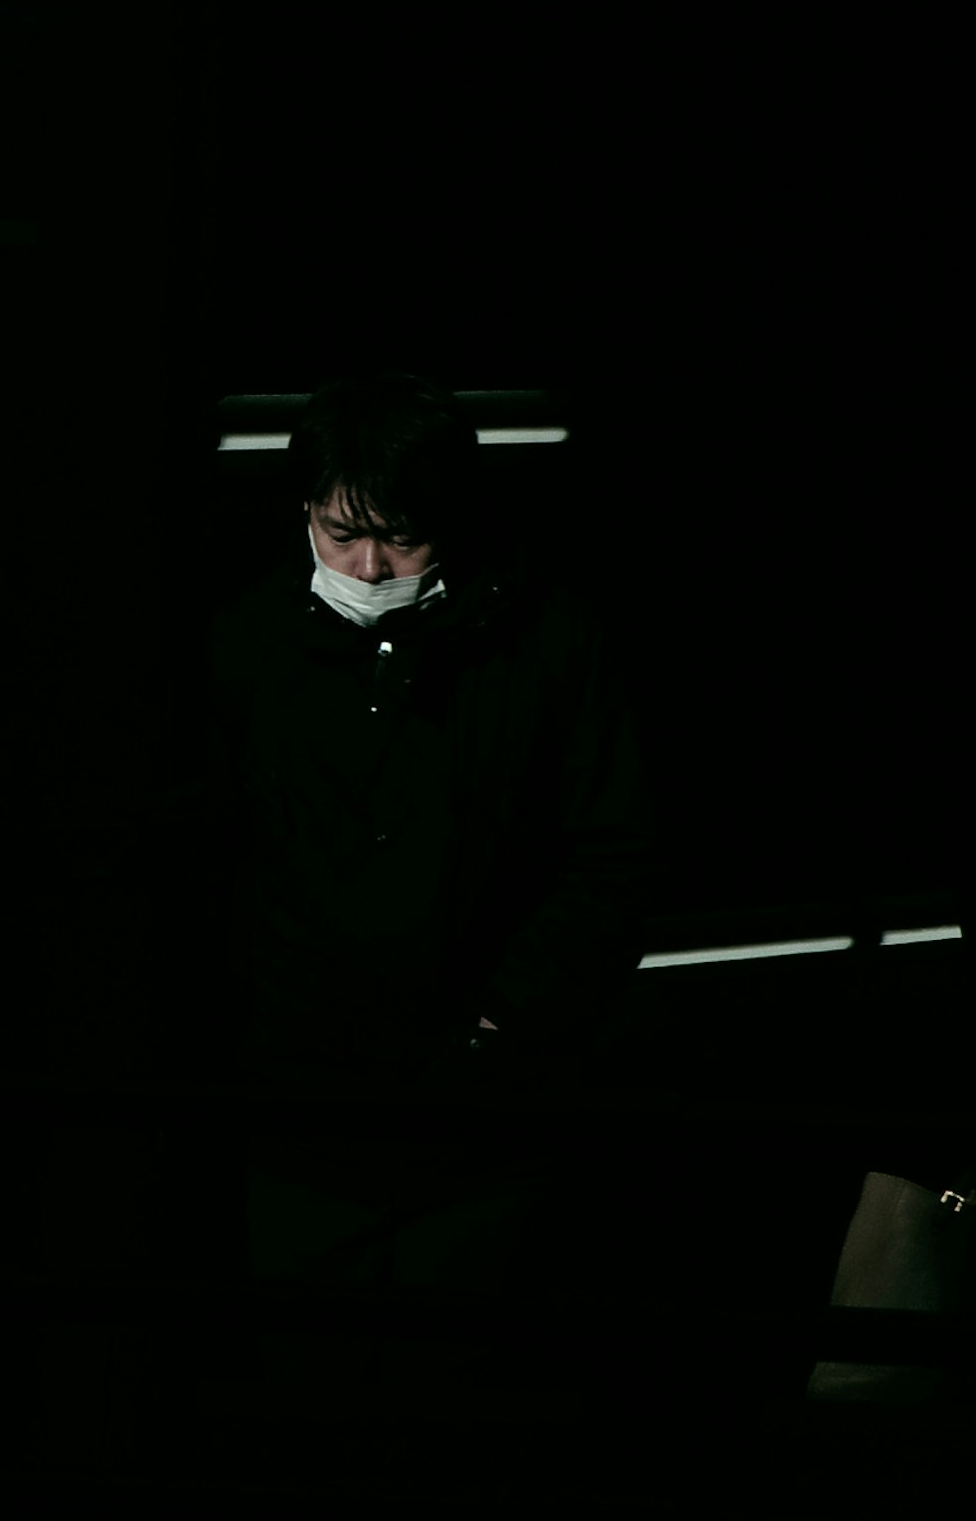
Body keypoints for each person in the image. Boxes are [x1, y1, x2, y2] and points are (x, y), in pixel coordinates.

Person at [203, 374, 652, 1409]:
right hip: (297, 1118)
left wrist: (512, 1015)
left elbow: (616, 852)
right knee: (313, 1403)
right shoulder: (243, 649)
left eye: (400, 537)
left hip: (483, 1130)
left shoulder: (547, 644)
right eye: (340, 533)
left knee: (465, 1406)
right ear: (303, 514)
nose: (368, 566)